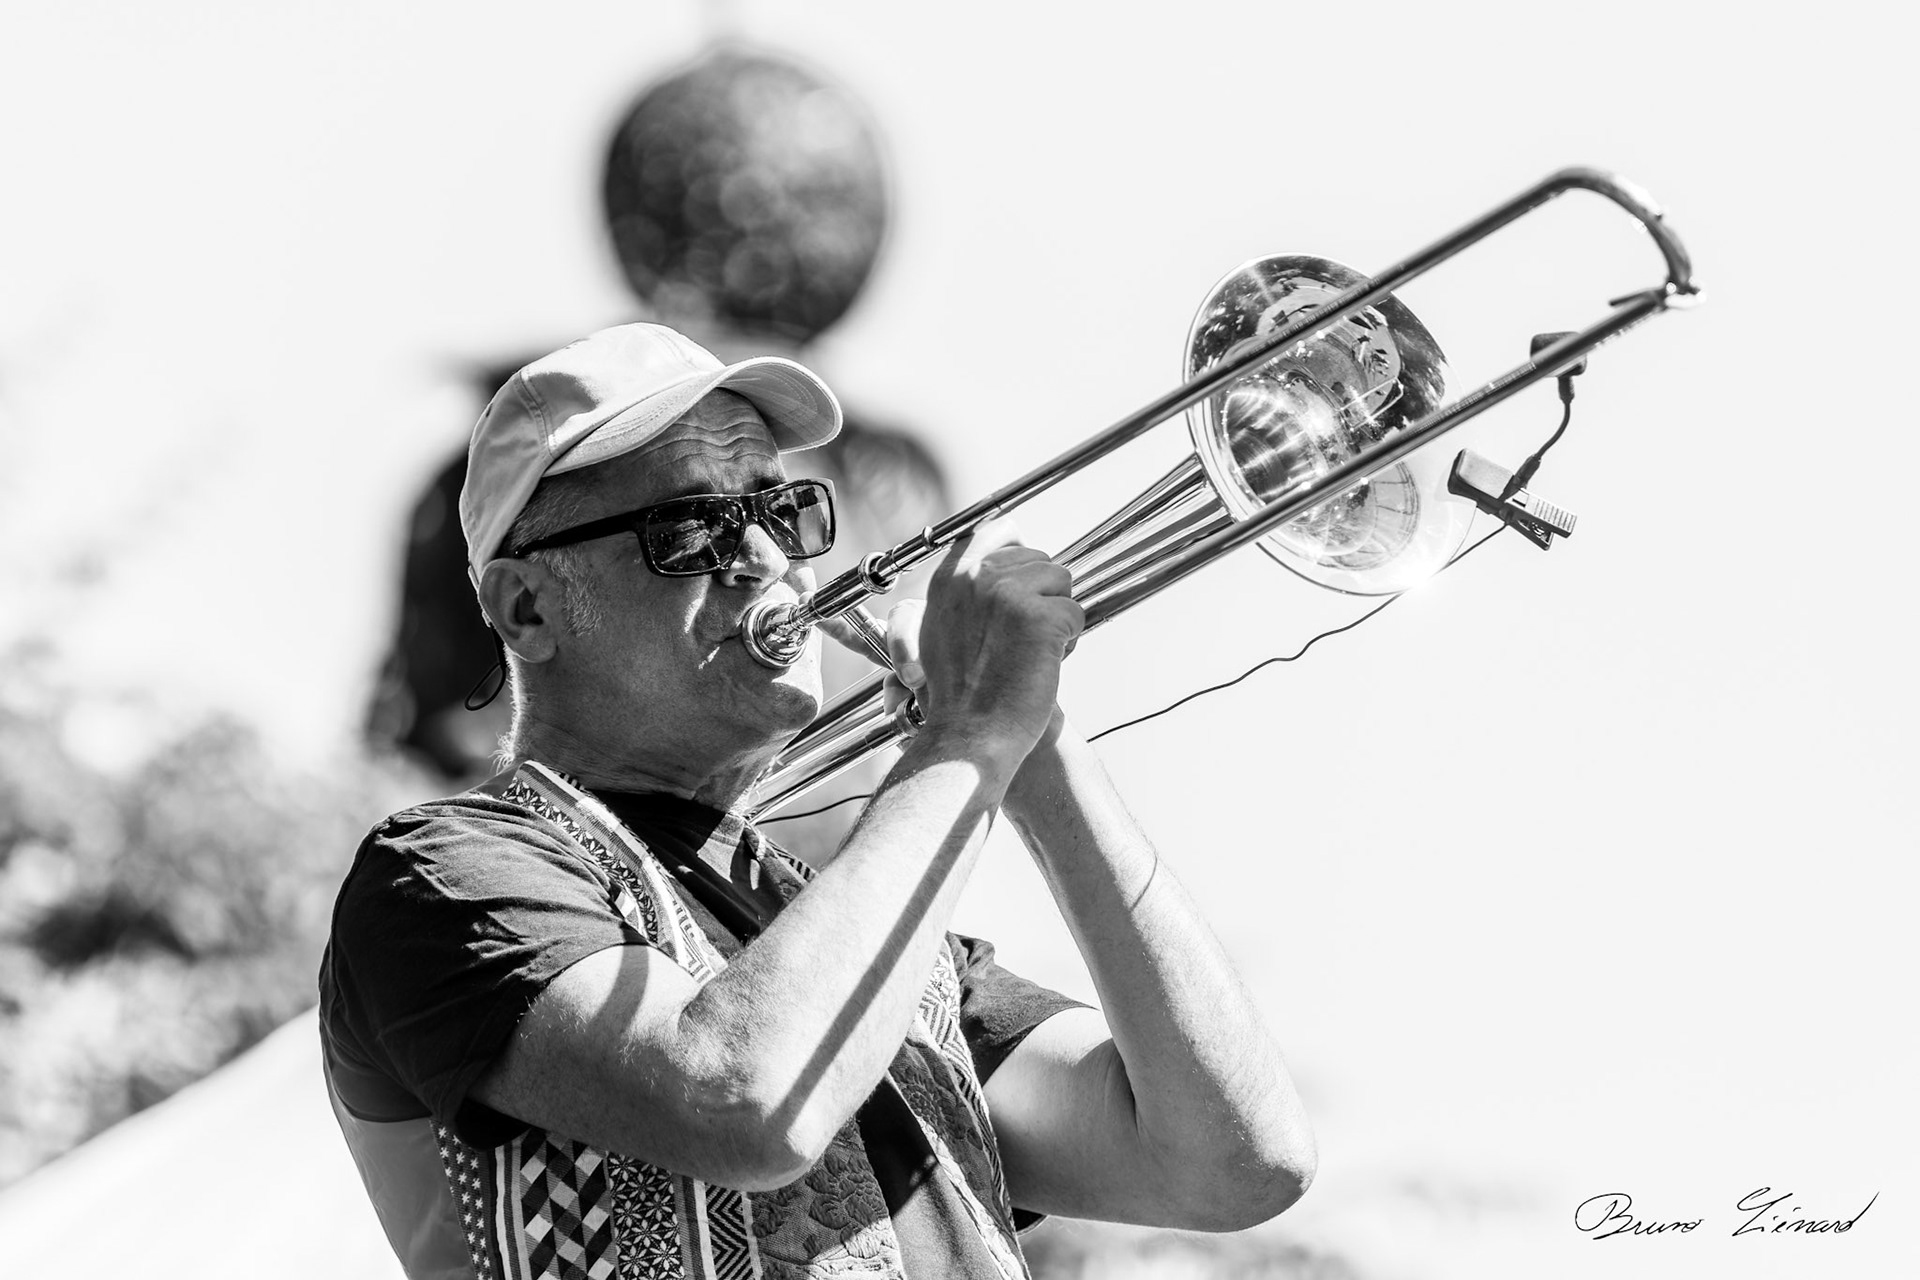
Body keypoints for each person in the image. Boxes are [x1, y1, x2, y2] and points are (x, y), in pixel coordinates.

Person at [319, 323, 1315, 1280]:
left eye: (777, 509)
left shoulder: (882, 949)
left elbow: (1234, 1159)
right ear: (526, 607)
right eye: (693, 527)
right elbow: (744, 1096)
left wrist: (1039, 744)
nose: (764, 555)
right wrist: (966, 737)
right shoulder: (447, 870)